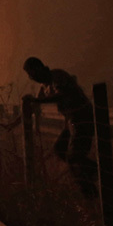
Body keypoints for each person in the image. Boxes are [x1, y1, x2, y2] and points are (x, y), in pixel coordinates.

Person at [21, 57, 98, 198]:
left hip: (82, 117)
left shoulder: (57, 76)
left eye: (31, 74)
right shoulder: (45, 86)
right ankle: (95, 175)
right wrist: (15, 122)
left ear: (39, 68)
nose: (31, 78)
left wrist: (36, 100)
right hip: (72, 121)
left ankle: (92, 187)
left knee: (74, 156)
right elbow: (34, 106)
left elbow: (61, 95)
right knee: (60, 149)